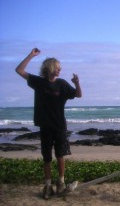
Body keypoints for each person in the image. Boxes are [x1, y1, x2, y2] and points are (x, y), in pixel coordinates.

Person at [15, 48, 82, 199]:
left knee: (60, 155)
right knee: (46, 157)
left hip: (59, 126)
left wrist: (77, 83)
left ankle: (61, 183)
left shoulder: (62, 84)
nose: (60, 69)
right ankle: (47, 186)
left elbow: (78, 95)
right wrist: (31, 55)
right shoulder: (38, 82)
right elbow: (19, 70)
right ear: (50, 68)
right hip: (45, 126)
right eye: (58, 67)